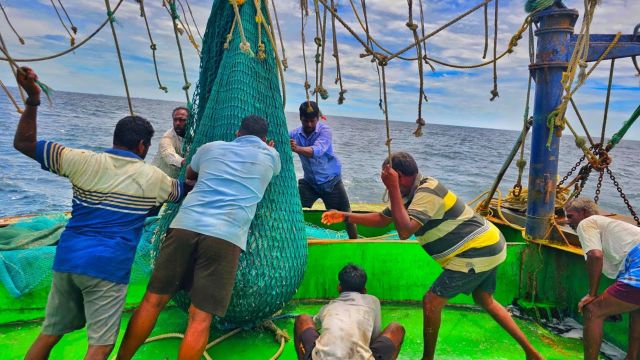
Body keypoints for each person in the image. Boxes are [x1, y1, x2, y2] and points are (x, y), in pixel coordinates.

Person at [13, 67, 186, 360]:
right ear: (143, 146)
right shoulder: (153, 178)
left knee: (50, 333)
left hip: (67, 260)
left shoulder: (80, 160)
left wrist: (33, 100)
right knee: (101, 345)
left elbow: (23, 144)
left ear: (115, 137)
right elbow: (182, 192)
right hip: (107, 267)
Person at [322, 152, 542, 360]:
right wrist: (344, 216)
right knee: (484, 299)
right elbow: (383, 218)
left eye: (389, 178)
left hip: (477, 249)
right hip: (490, 243)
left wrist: (393, 189)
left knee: (431, 301)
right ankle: (531, 353)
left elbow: (404, 231)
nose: (385, 183)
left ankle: (427, 358)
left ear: (401, 177)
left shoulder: (428, 191)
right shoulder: (408, 194)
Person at [116, 115, 281, 360]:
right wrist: (268, 150)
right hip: (226, 236)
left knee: (152, 302)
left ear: (237, 134)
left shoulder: (210, 148)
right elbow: (273, 170)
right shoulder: (271, 157)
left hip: (185, 224)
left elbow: (190, 174)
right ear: (266, 140)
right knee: (200, 317)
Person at [564, 198, 640, 360]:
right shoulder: (613, 228)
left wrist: (592, 294)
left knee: (593, 310)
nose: (567, 221)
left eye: (570, 216)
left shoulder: (587, 223)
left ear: (584, 213)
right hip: (635, 266)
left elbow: (595, 255)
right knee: (637, 310)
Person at [294, 264, 405, 360]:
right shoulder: (373, 301)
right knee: (397, 328)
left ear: (339, 288)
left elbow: (315, 324)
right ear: (364, 291)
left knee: (302, 319)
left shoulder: (328, 307)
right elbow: (374, 338)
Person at [290, 100, 357, 239]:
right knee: (292, 207)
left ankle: (354, 241)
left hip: (331, 182)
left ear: (318, 118)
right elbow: (279, 140)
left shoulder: (325, 131)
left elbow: (317, 150)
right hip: (310, 183)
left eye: (312, 121)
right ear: (300, 118)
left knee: (346, 213)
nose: (309, 124)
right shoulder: (294, 134)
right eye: (305, 121)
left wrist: (297, 148)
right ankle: (290, 239)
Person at [152, 106, 189, 178]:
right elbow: (168, 154)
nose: (177, 123)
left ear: (190, 121)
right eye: (175, 120)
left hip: (176, 182)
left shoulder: (194, 136)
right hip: (157, 179)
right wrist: (184, 162)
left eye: (181, 120)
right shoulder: (167, 137)